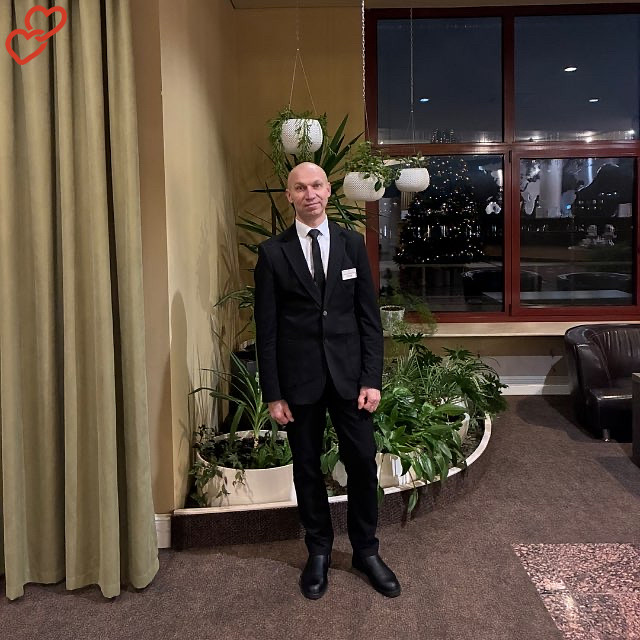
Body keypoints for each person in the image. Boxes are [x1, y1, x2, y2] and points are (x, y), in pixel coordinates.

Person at [254, 162, 400, 600]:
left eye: (316, 185)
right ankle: (318, 550)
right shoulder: (273, 254)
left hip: (351, 380)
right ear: (289, 196)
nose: (310, 193)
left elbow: (368, 318)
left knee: (362, 463)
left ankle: (366, 551)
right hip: (299, 383)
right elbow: (267, 330)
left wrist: (371, 378)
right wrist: (273, 393)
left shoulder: (352, 244)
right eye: (300, 188)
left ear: (329, 190)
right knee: (307, 468)